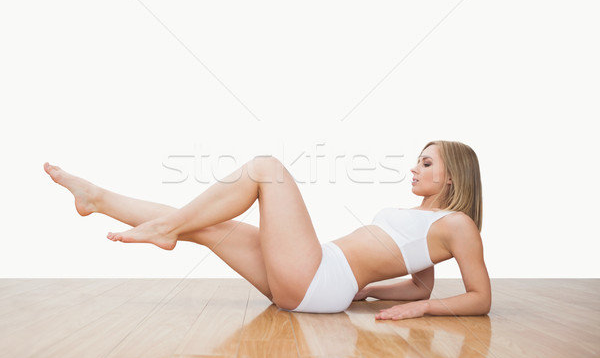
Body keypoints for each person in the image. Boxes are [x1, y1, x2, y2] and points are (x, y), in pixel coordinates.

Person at [43, 140, 491, 320]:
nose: (415, 167)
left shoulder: (459, 225)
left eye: (427, 163)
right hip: (323, 275)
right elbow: (419, 286)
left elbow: (480, 298)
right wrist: (372, 291)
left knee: (266, 169)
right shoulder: (430, 221)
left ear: (452, 177)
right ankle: (98, 200)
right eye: (419, 159)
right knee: (206, 223)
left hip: (321, 278)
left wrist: (423, 312)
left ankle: (164, 227)